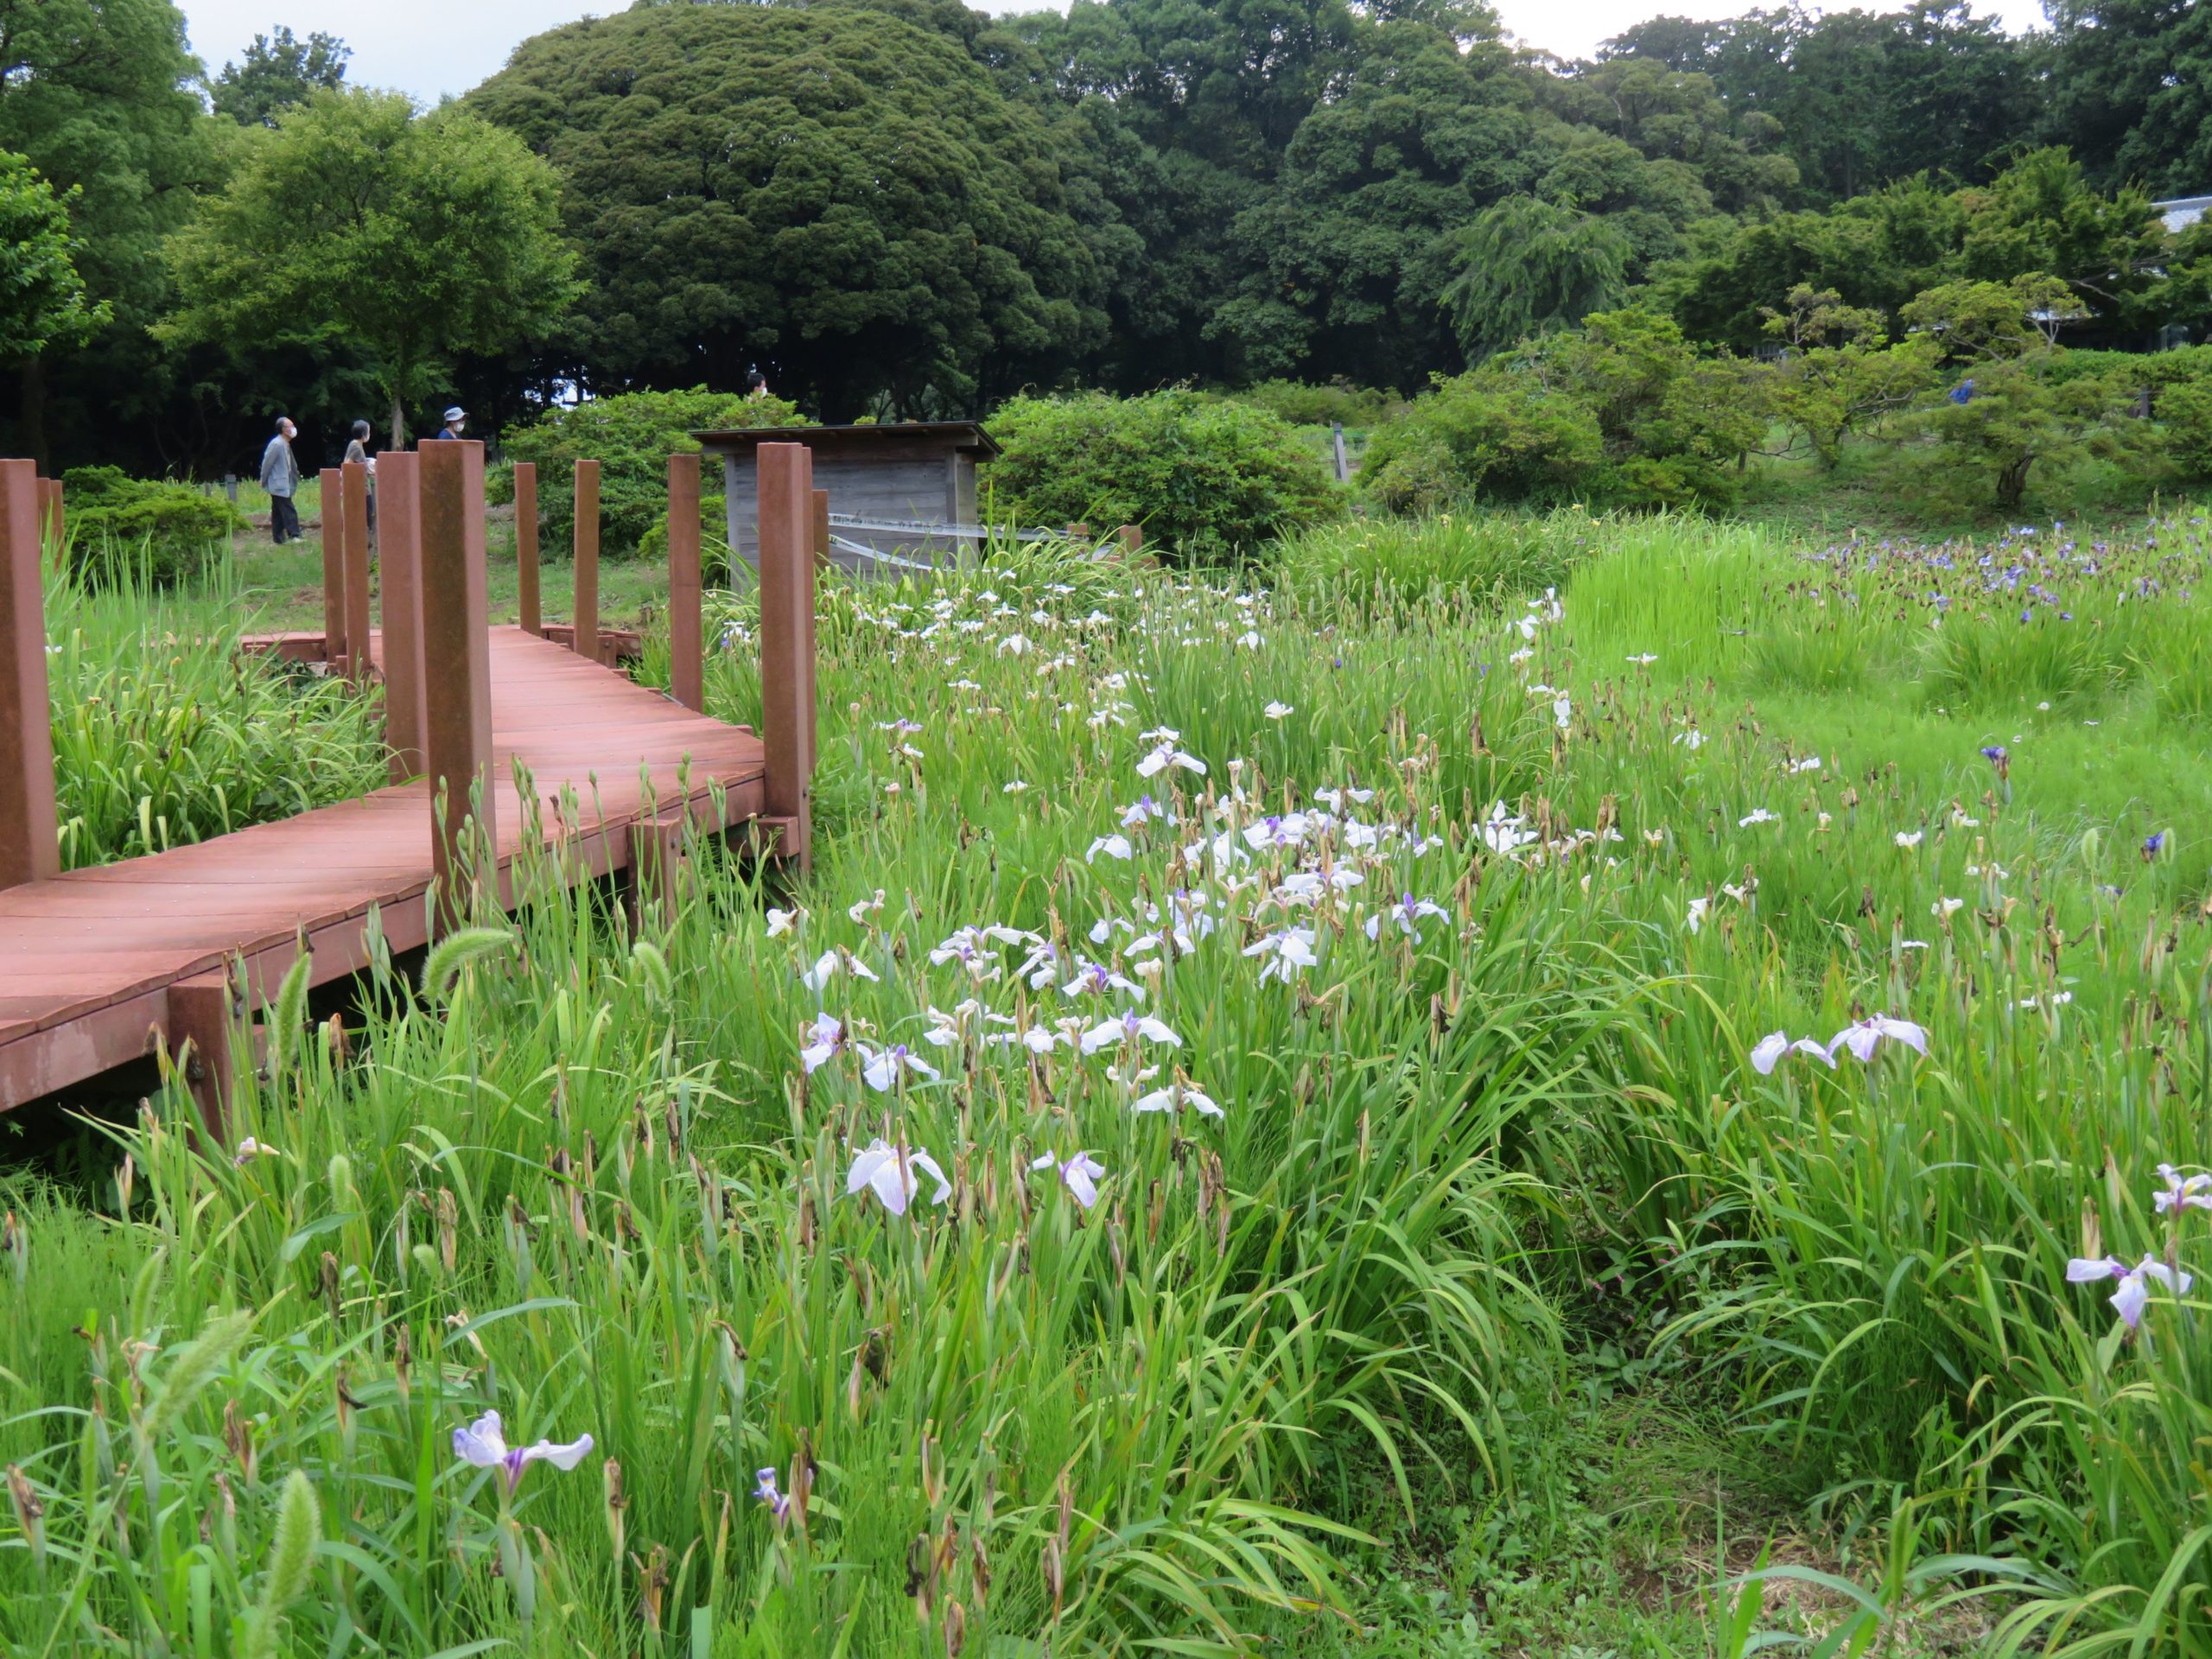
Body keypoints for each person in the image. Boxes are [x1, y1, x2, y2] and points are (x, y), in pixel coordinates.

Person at [260, 416, 302, 544]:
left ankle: (278, 538)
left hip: (283, 483)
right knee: (289, 509)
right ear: (283, 429)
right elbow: (267, 463)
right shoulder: (277, 444)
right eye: (291, 426)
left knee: (278, 512)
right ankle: (294, 535)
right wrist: (263, 480)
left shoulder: (284, 444)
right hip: (279, 484)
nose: (294, 428)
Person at [344, 419, 376, 530]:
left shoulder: (355, 444)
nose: (369, 434)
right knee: (367, 518)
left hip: (362, 488)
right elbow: (348, 465)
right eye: (369, 431)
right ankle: (366, 543)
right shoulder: (356, 446)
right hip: (362, 489)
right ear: (364, 434)